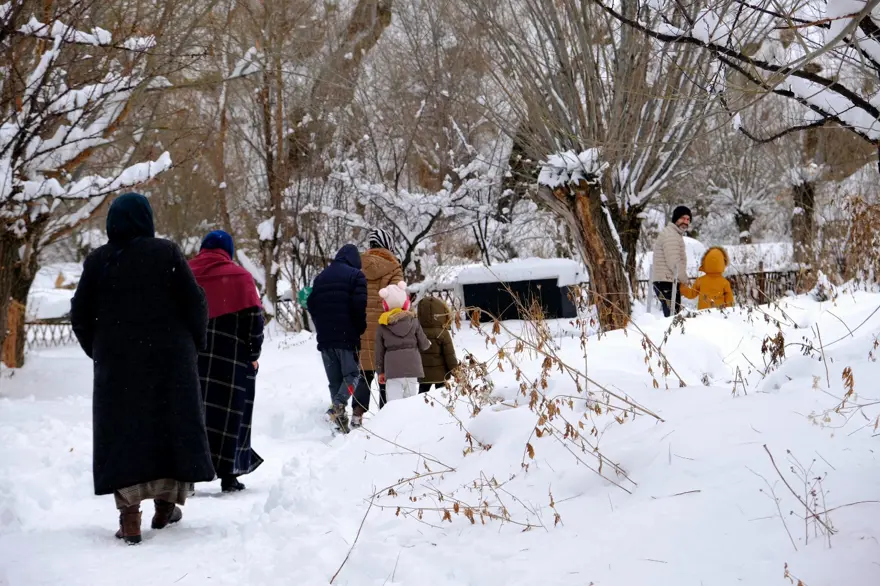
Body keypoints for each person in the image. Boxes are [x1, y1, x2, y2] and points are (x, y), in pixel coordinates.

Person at [70, 193, 214, 545]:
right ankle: (165, 507)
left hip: (119, 366)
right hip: (170, 361)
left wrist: (101, 350)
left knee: (125, 434)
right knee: (170, 429)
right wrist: (195, 342)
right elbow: (194, 301)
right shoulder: (165, 253)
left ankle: (130, 517)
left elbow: (79, 314)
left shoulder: (98, 261)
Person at [189, 231, 265, 492]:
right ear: (228, 250)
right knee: (231, 414)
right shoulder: (241, 278)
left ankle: (187, 474)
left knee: (192, 416)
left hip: (192, 360)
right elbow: (254, 322)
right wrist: (253, 355)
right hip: (231, 361)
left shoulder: (186, 275)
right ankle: (229, 474)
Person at [307, 244, 368, 432]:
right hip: (346, 336)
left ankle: (340, 425)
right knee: (352, 376)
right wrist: (359, 327)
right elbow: (359, 304)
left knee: (335, 381)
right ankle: (338, 405)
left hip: (325, 338)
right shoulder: (356, 276)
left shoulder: (321, 277)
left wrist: (321, 326)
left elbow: (311, 303)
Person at [353, 228, 404, 418]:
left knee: (364, 374)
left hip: (361, 327)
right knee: (385, 374)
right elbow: (398, 299)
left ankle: (357, 416)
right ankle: (385, 419)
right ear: (388, 245)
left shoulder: (357, 266)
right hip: (385, 329)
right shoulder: (394, 267)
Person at [375, 282, 431, 401]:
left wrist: (380, 371)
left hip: (392, 369)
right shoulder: (414, 321)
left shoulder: (382, 326)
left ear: (385, 305)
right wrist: (428, 343)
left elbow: (379, 351)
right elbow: (424, 344)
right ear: (406, 303)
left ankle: (396, 420)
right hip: (412, 368)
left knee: (393, 404)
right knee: (410, 403)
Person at [651, 205, 692, 317]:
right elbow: (674, 263)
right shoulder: (671, 235)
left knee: (673, 315)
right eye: (683, 218)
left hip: (667, 281)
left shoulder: (674, 234)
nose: (686, 222)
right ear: (676, 219)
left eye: (688, 219)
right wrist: (684, 279)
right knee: (672, 317)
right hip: (667, 282)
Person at [416, 296, 459, 394]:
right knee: (442, 397)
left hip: (423, 374)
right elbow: (449, 356)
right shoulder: (442, 333)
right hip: (441, 375)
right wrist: (456, 372)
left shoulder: (417, 332)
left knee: (421, 398)